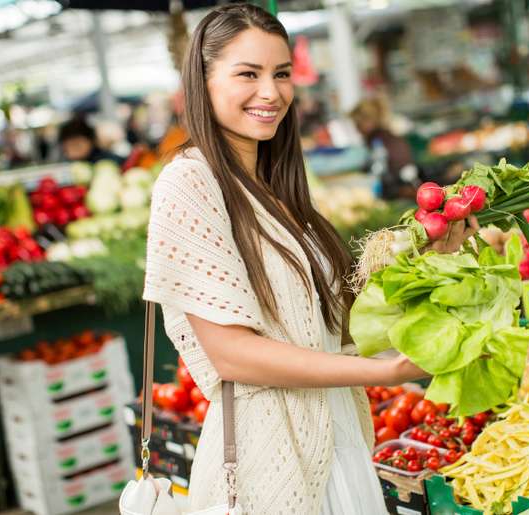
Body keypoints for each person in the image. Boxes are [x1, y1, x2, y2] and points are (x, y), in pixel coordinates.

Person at [143, 5, 477, 514]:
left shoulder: (276, 189)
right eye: (247, 74)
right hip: (270, 461)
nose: (271, 93)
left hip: (339, 443)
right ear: (202, 82)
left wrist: (431, 257)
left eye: (281, 74)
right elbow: (232, 355)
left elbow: (335, 325)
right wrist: (381, 374)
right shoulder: (188, 184)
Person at [350, 97, 418, 200]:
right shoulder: (388, 136)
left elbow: (381, 174)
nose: (356, 129)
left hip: (400, 194)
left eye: (357, 125)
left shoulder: (378, 142)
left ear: (367, 122)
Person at [57, 115, 123, 164]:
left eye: (76, 145)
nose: (72, 150)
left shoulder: (107, 160)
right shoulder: (68, 165)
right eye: (68, 146)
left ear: (90, 141)